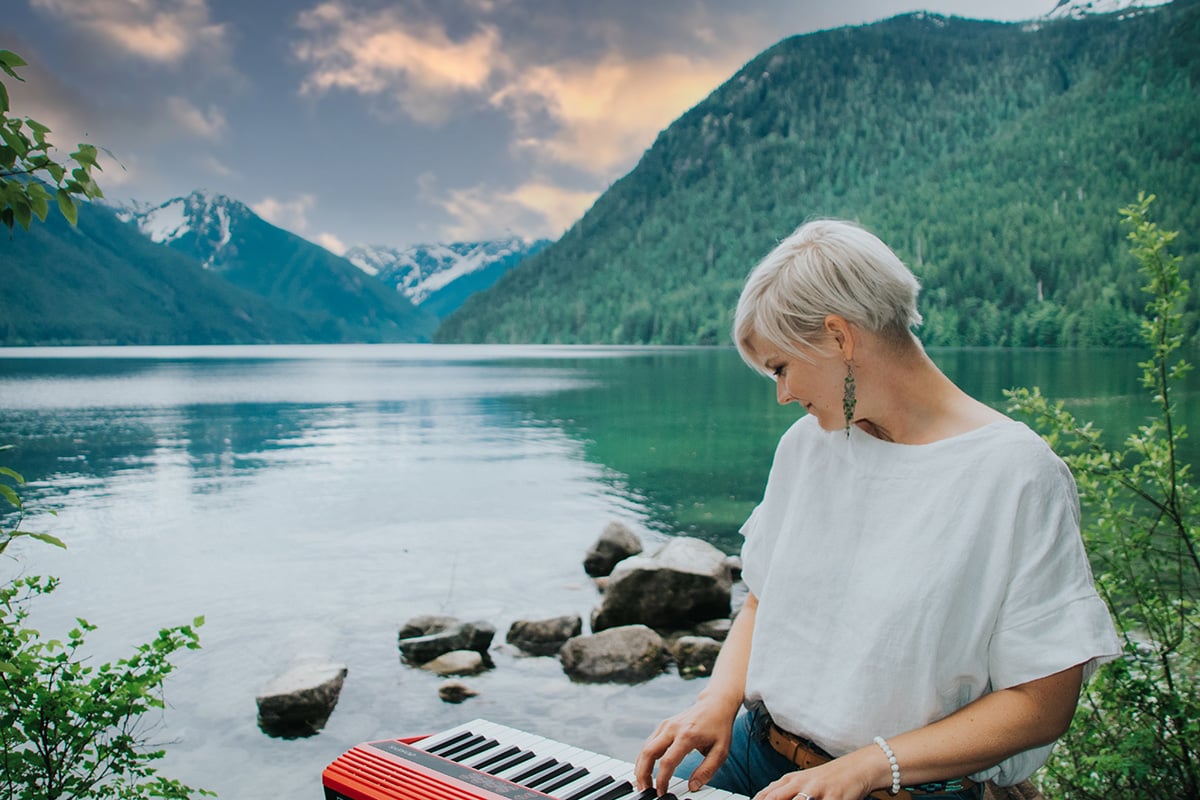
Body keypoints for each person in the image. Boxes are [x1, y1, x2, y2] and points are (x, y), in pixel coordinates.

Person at [632, 219, 1121, 800]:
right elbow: (764, 599)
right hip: (752, 750)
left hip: (903, 787)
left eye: (780, 367)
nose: (782, 394)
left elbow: (1041, 707)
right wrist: (716, 701)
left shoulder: (1016, 473)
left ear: (839, 337)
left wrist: (867, 766)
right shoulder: (806, 446)